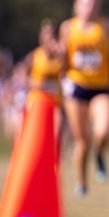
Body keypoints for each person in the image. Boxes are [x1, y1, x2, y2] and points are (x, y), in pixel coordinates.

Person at [60, 0, 109, 197]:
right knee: (82, 140)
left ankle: (100, 154)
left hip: (102, 87)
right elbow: (63, 58)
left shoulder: (107, 25)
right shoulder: (68, 28)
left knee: (104, 131)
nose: (90, 6)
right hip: (76, 87)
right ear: (76, 4)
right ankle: (81, 183)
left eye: (95, 2)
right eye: (86, 2)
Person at [22, 19, 66, 160]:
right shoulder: (35, 56)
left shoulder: (61, 56)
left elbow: (68, 71)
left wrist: (62, 55)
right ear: (42, 39)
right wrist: (35, 84)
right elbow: (23, 76)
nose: (50, 40)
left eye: (52, 37)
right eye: (47, 37)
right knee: (37, 134)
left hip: (55, 100)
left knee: (56, 131)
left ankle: (54, 162)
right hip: (38, 99)